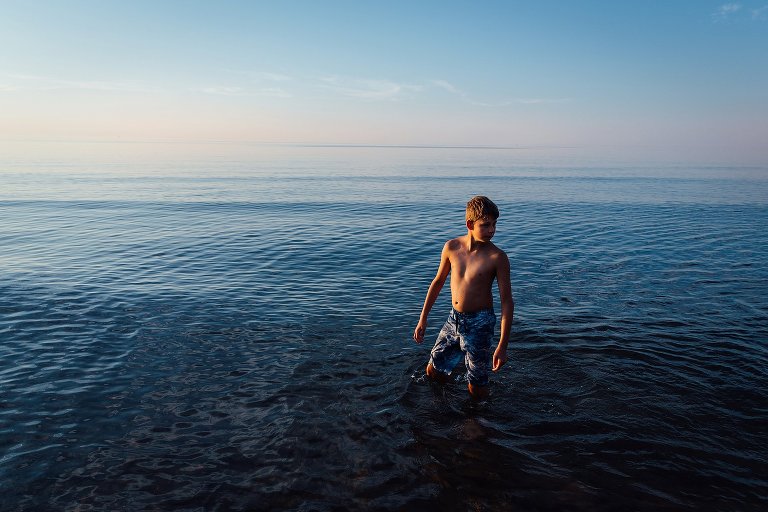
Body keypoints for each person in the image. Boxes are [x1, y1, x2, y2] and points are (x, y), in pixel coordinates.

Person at [413, 196, 514, 400]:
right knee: (433, 371)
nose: (492, 230)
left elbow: (507, 301)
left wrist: (502, 345)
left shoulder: (497, 257)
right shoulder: (452, 247)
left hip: (481, 323)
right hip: (454, 319)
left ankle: (477, 419)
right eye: (486, 225)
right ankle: (442, 406)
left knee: (476, 384)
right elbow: (438, 282)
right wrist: (423, 318)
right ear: (470, 224)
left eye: (494, 225)